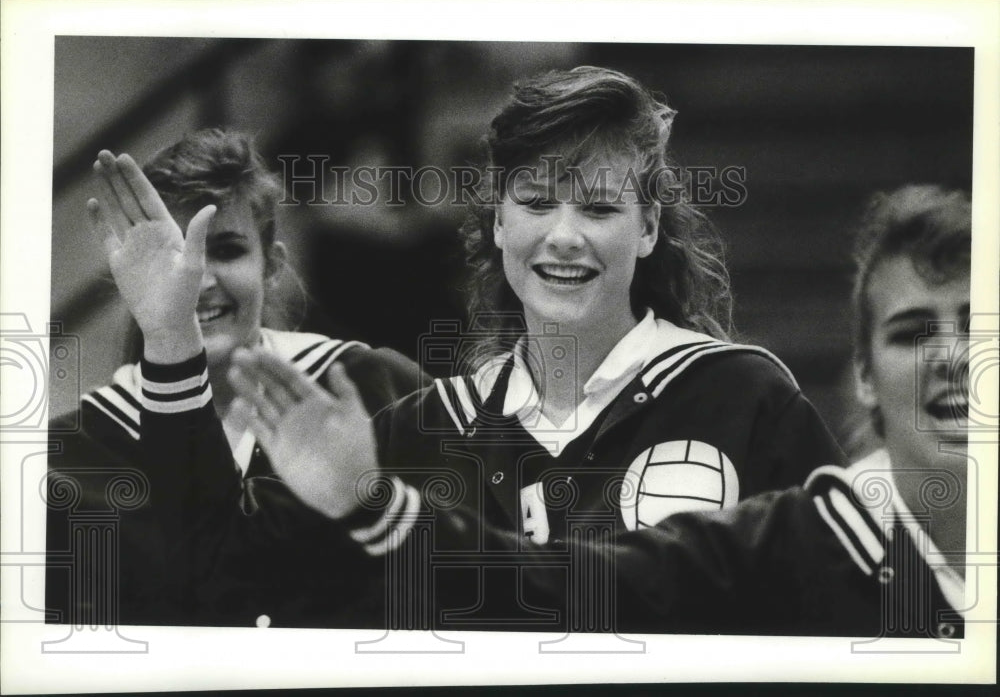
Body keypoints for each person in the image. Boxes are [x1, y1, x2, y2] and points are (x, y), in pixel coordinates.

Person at [209, 66, 847, 632]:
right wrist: (169, 342)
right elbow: (223, 600)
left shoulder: (742, 396)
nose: (564, 236)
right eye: (536, 203)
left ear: (648, 227)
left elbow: (844, 607)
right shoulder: (418, 429)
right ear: (497, 221)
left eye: (598, 208)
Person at [334, 183, 968, 637]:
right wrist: (377, 508)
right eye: (913, 330)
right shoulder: (802, 539)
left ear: (648, 227)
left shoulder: (744, 393)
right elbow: (581, 585)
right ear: (861, 372)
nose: (954, 356)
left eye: (977, 323)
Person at [45, 129, 428, 627]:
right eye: (173, 257)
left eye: (225, 250)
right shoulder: (72, 455)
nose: (196, 281)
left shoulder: (379, 388)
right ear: (128, 277)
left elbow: (452, 579)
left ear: (272, 265)